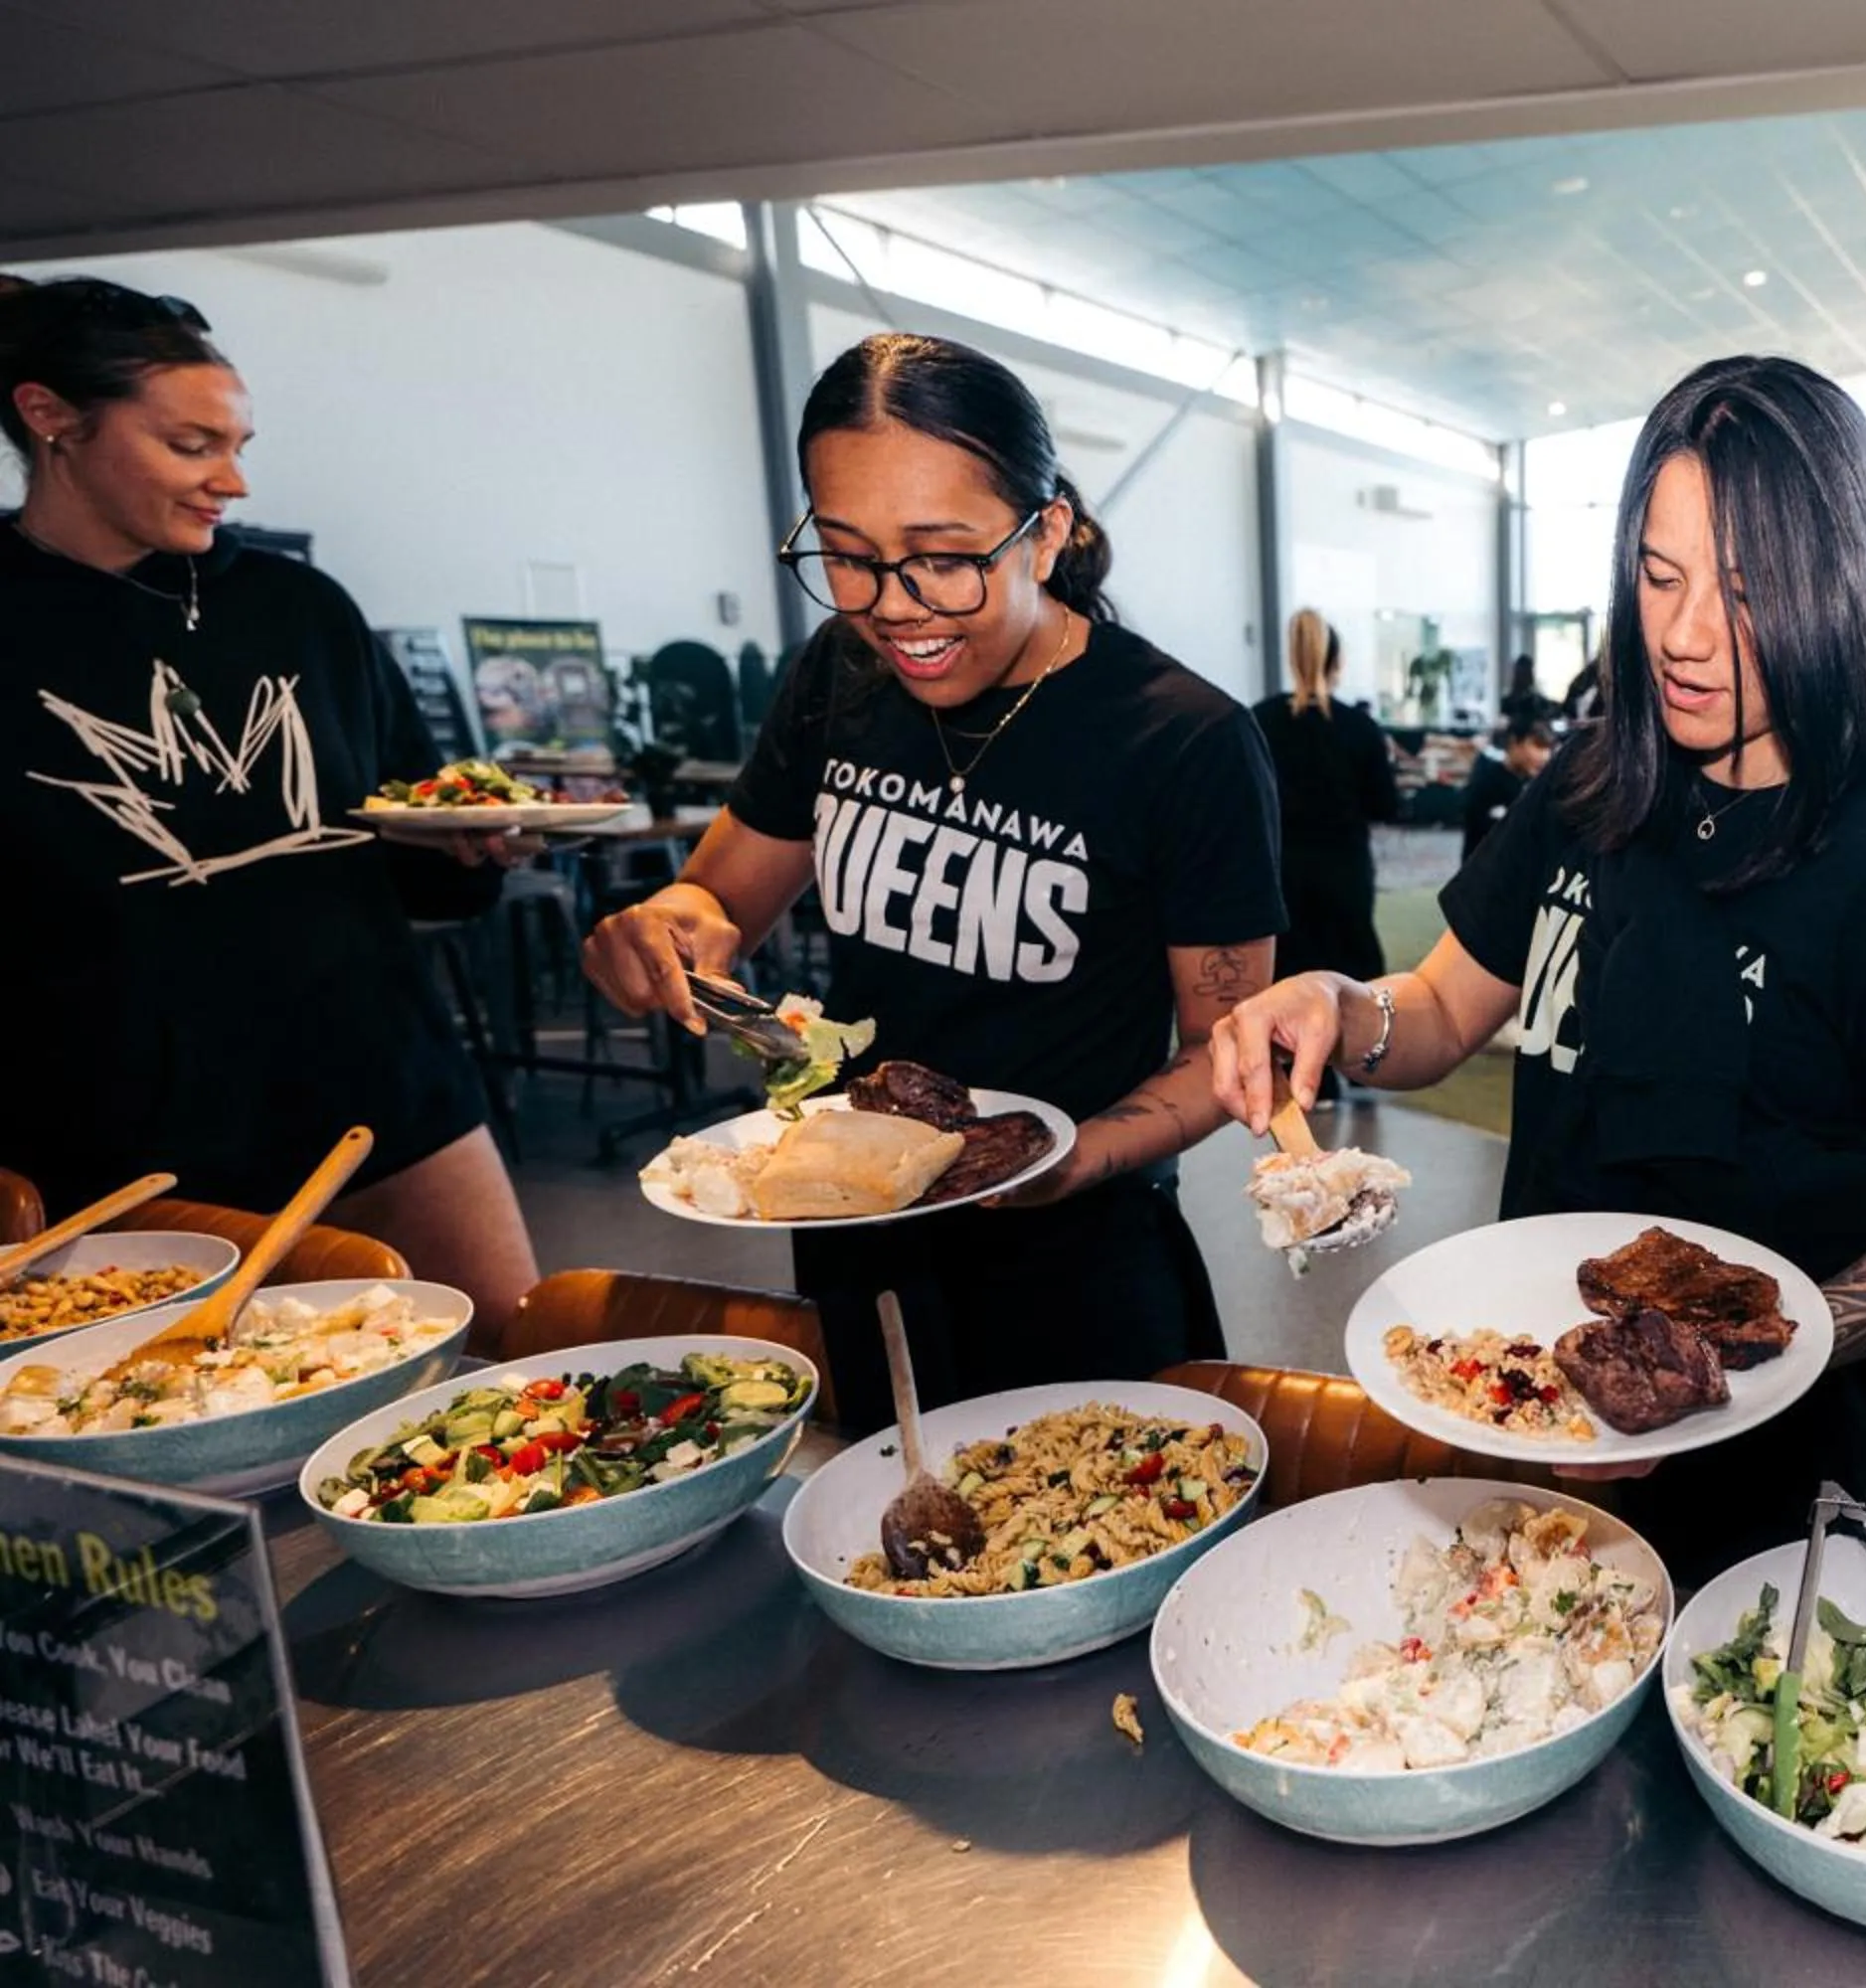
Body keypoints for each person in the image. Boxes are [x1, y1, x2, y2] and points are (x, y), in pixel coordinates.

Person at [1212, 355, 1866, 1579]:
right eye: (1660, 576)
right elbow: (1439, 1006)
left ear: (1840, 589)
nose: (1687, 634)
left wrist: (1765, 1357)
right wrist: (1339, 1002)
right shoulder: (1596, 781)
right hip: (1533, 1423)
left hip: (1778, 1491)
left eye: (1747, 592)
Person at [584, 333, 1283, 1420]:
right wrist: (671, 924)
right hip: (854, 1231)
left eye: (943, 555)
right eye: (849, 554)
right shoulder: (839, 675)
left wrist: (1063, 1159)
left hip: (1079, 1256)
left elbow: (1221, 1052)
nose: (893, 604)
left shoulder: (1181, 739)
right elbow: (722, 898)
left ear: (1044, 532)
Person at [0, 274, 539, 1325]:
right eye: (192, 446)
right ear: (50, 417)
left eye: (239, 443)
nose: (232, 481)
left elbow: (400, 840)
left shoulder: (298, 606)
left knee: (510, 1360)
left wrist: (467, 849)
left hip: (385, 1086)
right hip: (123, 1131)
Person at [1254, 606, 1399, 990]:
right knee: (1354, 983)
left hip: (1281, 872)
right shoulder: (1360, 728)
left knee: (1286, 981)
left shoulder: (1259, 721)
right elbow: (1386, 805)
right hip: (1344, 871)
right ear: (1337, 662)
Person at [1462, 713, 1554, 860]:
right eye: (1537, 746)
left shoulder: (1540, 785)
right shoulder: (1486, 780)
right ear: (1515, 743)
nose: (1544, 756)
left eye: (1547, 748)